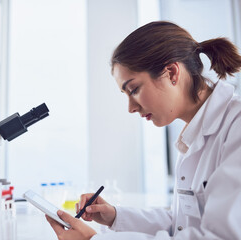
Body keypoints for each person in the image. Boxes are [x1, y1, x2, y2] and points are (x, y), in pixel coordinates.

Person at [46, 21, 241, 239]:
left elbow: (221, 236)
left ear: (171, 72)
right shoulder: (194, 134)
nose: (131, 107)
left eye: (134, 89)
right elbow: (180, 224)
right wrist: (115, 217)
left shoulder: (236, 128)